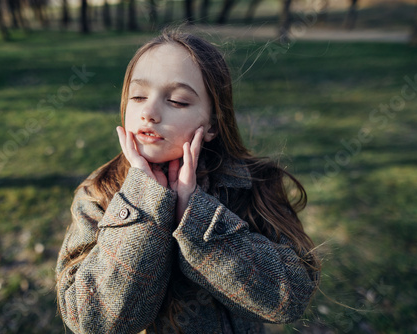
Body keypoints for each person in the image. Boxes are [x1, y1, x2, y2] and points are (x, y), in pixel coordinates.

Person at [55, 29, 321, 334]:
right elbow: (90, 322)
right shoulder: (98, 194)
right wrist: (141, 204)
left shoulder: (252, 185)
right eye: (138, 96)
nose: (149, 113)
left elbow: (292, 299)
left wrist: (195, 216)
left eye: (178, 101)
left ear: (212, 124)